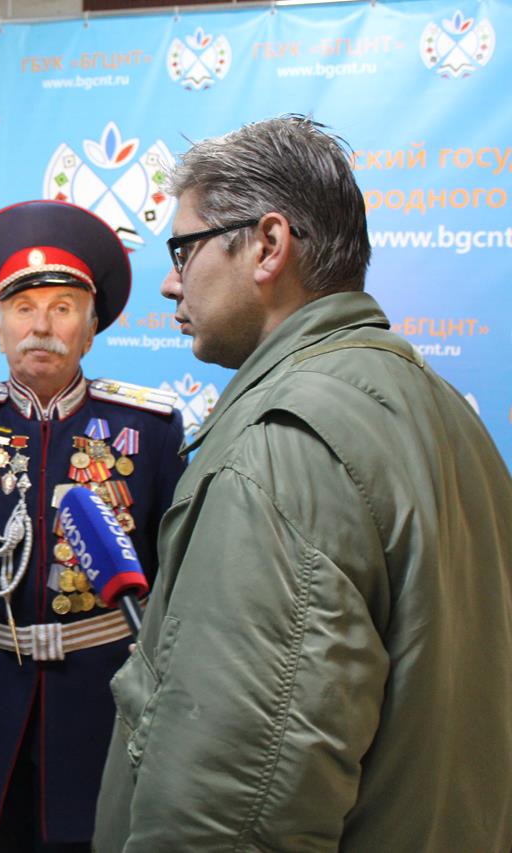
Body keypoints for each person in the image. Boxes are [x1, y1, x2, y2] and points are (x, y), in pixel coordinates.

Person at [94, 116, 512, 852]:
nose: (169, 281)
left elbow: (233, 818)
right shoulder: (441, 409)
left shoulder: (280, 447)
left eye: (183, 249)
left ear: (267, 245)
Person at [0, 201, 186, 850]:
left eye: (63, 308)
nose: (41, 327)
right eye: (23, 308)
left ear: (91, 329)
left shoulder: (148, 429)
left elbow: (182, 569)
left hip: (99, 694)